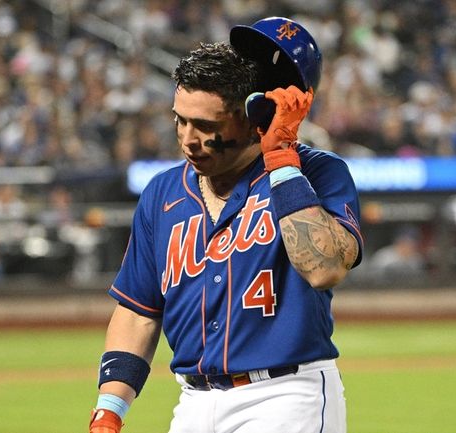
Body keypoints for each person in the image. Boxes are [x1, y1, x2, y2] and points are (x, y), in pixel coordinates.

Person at [89, 17, 363, 433]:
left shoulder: (317, 173)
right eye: (180, 120)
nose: (187, 139)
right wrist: (110, 409)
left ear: (255, 115)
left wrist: (283, 162)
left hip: (285, 396)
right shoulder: (163, 192)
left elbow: (325, 268)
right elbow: (139, 312)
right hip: (194, 403)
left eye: (206, 126)